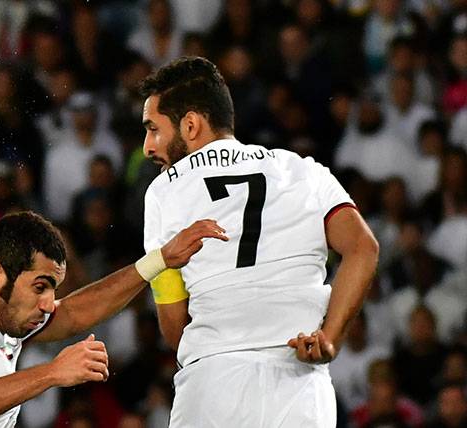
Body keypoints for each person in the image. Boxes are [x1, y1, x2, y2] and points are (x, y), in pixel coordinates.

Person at [139, 56, 379, 427]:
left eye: (154, 129)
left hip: (214, 386)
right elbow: (363, 248)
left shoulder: (163, 192)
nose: (147, 147)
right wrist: (329, 338)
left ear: (190, 125)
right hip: (301, 388)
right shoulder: (305, 171)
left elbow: (174, 329)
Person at [0, 211, 226, 427]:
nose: (47, 304)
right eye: (40, 287)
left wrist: (159, 261)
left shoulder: (2, 309)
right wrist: (52, 372)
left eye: (52, 289)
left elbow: (72, 312)